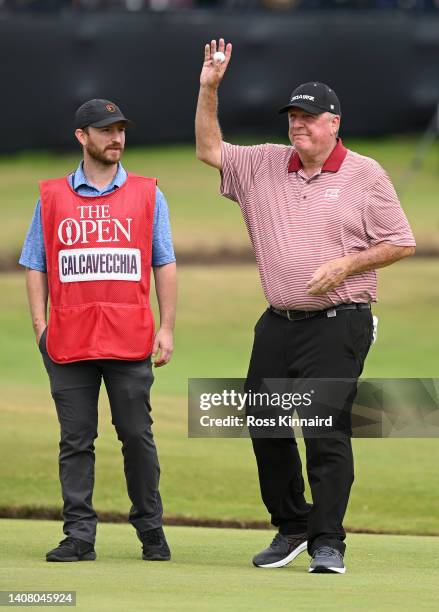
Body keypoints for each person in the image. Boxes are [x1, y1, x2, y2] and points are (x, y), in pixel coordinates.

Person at [195, 39, 416, 574]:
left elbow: (401, 241)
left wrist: (345, 265)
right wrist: (208, 90)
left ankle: (328, 541)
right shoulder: (266, 165)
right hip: (278, 320)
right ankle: (292, 525)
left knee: (323, 427)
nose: (299, 126)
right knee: (263, 420)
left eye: (309, 118)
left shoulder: (365, 174)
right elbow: (210, 150)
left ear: (334, 123)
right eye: (293, 117)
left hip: (340, 322)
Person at [19, 99, 177, 563]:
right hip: (67, 341)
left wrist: (166, 328)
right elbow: (35, 263)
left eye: (122, 130)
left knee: (136, 436)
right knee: (75, 441)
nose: (117, 139)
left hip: (129, 338)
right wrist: (40, 327)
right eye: (106, 131)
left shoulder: (149, 193)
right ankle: (79, 536)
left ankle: (151, 530)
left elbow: (163, 261)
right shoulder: (51, 196)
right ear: (82, 137)